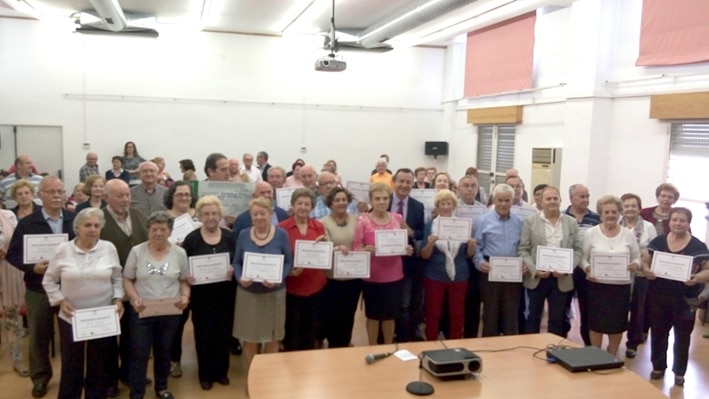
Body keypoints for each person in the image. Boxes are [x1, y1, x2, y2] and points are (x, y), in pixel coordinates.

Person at [42, 208, 123, 399]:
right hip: (72, 317)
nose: (92, 229)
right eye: (88, 225)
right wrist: (61, 300)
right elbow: (49, 280)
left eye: (97, 225)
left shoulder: (108, 248)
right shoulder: (63, 250)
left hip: (102, 317)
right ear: (77, 227)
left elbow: (117, 278)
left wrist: (117, 299)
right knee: (71, 363)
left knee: (99, 363)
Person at [7, 176, 76, 399]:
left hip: (70, 290)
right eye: (51, 191)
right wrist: (32, 268)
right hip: (38, 290)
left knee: (71, 336)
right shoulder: (27, 223)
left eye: (60, 191)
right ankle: (40, 378)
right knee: (38, 337)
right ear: (41, 195)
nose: (57, 195)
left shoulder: (75, 220)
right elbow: (13, 254)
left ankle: (71, 377)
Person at [123, 211, 190, 399]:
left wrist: (185, 297)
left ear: (170, 231)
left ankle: (161, 387)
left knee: (164, 351)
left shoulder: (180, 253)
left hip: (170, 311)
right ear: (148, 231)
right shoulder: (137, 251)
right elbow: (127, 279)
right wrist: (134, 298)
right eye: (154, 229)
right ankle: (137, 392)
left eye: (163, 229)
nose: (158, 233)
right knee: (139, 353)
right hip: (142, 311)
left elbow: (184, 280)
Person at [643, 207, 709, 387]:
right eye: (675, 220)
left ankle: (679, 372)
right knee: (657, 332)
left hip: (686, 299)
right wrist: (647, 270)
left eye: (682, 221)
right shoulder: (658, 241)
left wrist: (697, 278)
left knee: (682, 337)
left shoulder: (698, 246)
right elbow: (645, 261)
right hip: (658, 296)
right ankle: (658, 367)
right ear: (669, 221)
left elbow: (707, 270)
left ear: (688, 223)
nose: (678, 223)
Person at [100, 179, 149, 397]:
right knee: (109, 337)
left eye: (127, 195)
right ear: (106, 197)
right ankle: (110, 380)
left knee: (133, 334)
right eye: (120, 196)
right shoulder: (98, 219)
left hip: (137, 286)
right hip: (109, 288)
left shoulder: (138, 215)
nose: (125, 199)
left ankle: (129, 374)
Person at [233, 197, 293, 372]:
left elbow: (288, 262)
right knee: (249, 337)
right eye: (255, 214)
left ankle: (267, 376)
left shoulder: (281, 234)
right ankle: (253, 376)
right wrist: (239, 278)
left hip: (274, 294)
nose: (259, 217)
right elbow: (237, 262)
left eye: (263, 213)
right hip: (248, 295)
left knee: (272, 337)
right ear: (250, 216)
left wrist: (278, 278)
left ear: (271, 214)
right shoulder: (244, 234)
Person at [182, 196, 236, 390]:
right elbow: (183, 265)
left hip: (226, 296)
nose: (211, 217)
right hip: (201, 298)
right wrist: (187, 276)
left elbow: (238, 261)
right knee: (203, 336)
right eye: (206, 214)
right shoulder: (192, 239)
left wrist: (233, 270)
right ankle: (205, 374)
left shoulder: (230, 237)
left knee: (223, 335)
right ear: (200, 216)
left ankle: (222, 372)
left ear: (220, 215)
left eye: (214, 213)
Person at [354, 182, 414, 345]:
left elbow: (404, 242)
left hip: (394, 275)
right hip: (372, 276)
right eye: (377, 198)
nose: (381, 202)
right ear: (371, 201)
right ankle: (372, 347)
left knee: (390, 315)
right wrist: (366, 250)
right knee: (373, 315)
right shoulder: (363, 221)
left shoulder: (397, 218)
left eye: (385, 198)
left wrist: (407, 249)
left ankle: (388, 347)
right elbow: (356, 247)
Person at [580, 195, 641, 356]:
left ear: (619, 213)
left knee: (617, 324)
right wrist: (587, 268)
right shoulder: (591, 233)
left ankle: (612, 355)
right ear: (600, 214)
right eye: (606, 212)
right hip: (596, 286)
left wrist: (636, 264)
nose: (610, 215)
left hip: (620, 288)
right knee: (595, 323)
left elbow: (637, 257)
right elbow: (582, 257)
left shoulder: (628, 234)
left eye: (614, 211)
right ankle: (595, 354)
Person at [518, 186, 581, 337]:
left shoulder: (571, 222)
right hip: (537, 277)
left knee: (557, 319)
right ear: (540, 201)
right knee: (533, 317)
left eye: (555, 198)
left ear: (560, 200)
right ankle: (531, 350)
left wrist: (567, 268)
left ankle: (555, 352)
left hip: (561, 278)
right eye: (548, 198)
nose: (552, 201)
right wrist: (534, 269)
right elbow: (523, 249)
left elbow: (578, 250)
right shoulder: (530, 222)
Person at [421, 189, 476, 340]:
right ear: (437, 207)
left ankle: (455, 342)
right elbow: (424, 255)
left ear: (454, 205)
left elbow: (468, 255)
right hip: (434, 274)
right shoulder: (430, 225)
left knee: (457, 312)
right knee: (433, 312)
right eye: (442, 203)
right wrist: (430, 244)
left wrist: (472, 246)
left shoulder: (463, 225)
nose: (446, 206)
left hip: (460, 274)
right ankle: (430, 341)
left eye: (449, 203)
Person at [278, 188, 327, 351]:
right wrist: (289, 271)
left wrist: (325, 246)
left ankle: (307, 362)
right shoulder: (281, 228)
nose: (303, 207)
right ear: (292, 205)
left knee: (310, 328)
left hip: (315, 285)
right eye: (299, 203)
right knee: (291, 328)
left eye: (307, 204)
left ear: (312, 206)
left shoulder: (319, 227)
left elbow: (324, 253)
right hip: (292, 285)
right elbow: (279, 256)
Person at [474, 183, 525, 337]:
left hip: (513, 271)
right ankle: (490, 350)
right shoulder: (483, 220)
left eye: (507, 200)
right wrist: (479, 262)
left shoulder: (519, 222)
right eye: (500, 200)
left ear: (513, 200)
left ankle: (510, 351)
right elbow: (476, 246)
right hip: (490, 269)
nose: (503, 204)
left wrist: (525, 264)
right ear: (494, 200)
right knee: (490, 313)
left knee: (511, 314)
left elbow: (524, 247)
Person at [163, 181, 200, 379]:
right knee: (176, 322)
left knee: (200, 320)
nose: (184, 198)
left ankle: (201, 358)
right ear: (172, 196)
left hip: (200, 278)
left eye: (187, 194)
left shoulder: (200, 215)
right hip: (175, 279)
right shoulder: (164, 218)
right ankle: (174, 360)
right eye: (179, 195)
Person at [319, 187, 361, 348]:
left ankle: (344, 343)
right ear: (330, 203)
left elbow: (361, 242)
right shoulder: (323, 222)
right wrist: (335, 249)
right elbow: (324, 247)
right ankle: (333, 344)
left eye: (344, 199)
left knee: (349, 313)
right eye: (337, 200)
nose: (341, 203)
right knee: (331, 314)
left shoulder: (357, 219)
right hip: (331, 277)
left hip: (354, 276)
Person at [388, 168, 425, 342]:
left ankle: (404, 334)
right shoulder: (383, 201)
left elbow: (421, 233)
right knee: (390, 298)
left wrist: (411, 232)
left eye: (408, 182)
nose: (404, 185)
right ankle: (387, 332)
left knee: (407, 300)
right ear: (394, 182)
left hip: (408, 262)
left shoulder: (418, 206)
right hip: (386, 261)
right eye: (401, 181)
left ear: (413, 184)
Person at [620, 193, 657, 358]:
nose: (630, 209)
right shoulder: (614, 224)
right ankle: (614, 339)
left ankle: (633, 343)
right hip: (618, 274)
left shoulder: (649, 227)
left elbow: (654, 251)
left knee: (637, 309)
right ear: (622, 208)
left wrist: (642, 258)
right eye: (626, 206)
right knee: (618, 307)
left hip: (640, 275)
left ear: (639, 208)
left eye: (633, 206)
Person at [564, 183, 600, 345]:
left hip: (587, 270)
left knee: (587, 308)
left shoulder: (596, 219)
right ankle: (560, 340)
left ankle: (588, 344)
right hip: (565, 268)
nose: (586, 200)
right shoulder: (561, 217)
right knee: (562, 306)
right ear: (571, 198)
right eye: (582, 196)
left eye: (587, 196)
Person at [457, 174, 486, 338]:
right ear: (459, 189)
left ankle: (470, 336)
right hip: (455, 258)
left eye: (473, 186)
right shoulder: (451, 208)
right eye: (466, 185)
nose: (469, 189)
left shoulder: (484, 210)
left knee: (473, 300)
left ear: (477, 189)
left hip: (475, 260)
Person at [0, 207, 28, 377]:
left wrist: (7, 250)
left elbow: (19, 241)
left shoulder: (9, 215)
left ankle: (17, 359)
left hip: (9, 272)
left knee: (13, 319)